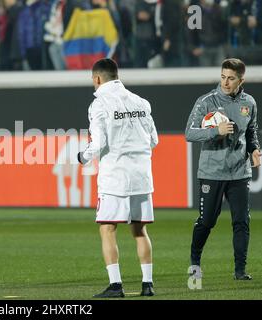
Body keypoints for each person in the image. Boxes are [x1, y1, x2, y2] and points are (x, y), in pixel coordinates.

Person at [77, 58, 158, 298]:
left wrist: (83, 156)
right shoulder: (141, 102)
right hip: (142, 176)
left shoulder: (99, 103)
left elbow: (98, 143)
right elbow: (154, 140)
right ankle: (147, 284)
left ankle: (115, 286)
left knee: (107, 228)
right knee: (139, 230)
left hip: (115, 178)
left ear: (97, 79)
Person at [185, 58, 261, 281]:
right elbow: (189, 133)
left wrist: (254, 149)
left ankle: (240, 271)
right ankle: (195, 262)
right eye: (223, 77)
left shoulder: (249, 103)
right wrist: (215, 131)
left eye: (231, 78)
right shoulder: (206, 101)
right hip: (212, 172)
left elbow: (251, 131)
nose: (225, 82)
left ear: (241, 80)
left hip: (239, 172)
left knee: (241, 221)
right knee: (207, 221)